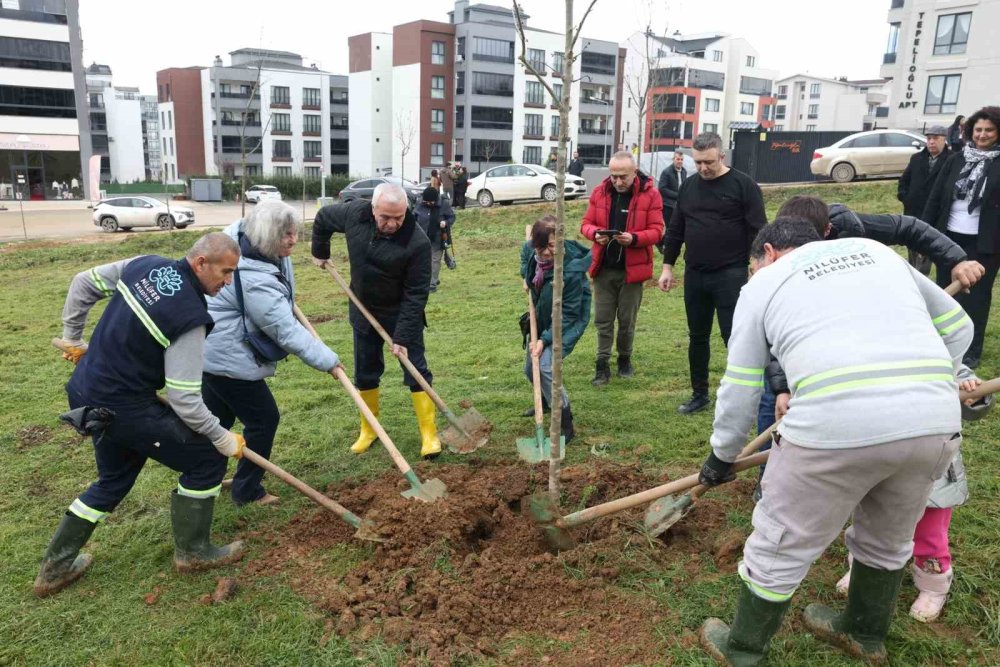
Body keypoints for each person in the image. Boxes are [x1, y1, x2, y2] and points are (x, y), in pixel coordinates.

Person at [698, 218, 971, 666]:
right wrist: (933, 383)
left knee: (780, 540)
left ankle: (743, 648)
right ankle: (863, 634)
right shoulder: (877, 253)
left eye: (752, 267)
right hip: (932, 424)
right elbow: (958, 327)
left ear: (766, 253)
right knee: (889, 536)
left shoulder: (764, 284)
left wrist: (722, 455)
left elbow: (742, 382)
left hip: (833, 428)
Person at [36, 233, 246, 597]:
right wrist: (221, 436)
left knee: (113, 479)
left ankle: (54, 570)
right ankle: (193, 553)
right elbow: (184, 399)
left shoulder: (144, 265)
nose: (228, 282)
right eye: (226, 272)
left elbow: (83, 282)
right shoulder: (190, 318)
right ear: (201, 264)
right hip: (122, 407)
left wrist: (73, 337)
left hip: (86, 390)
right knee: (206, 459)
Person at [751, 194, 985, 500]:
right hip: (814, 331)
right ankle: (769, 479)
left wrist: (956, 259)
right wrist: (782, 387)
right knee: (774, 396)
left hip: (858, 332)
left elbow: (909, 227)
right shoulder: (777, 258)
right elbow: (779, 335)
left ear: (826, 232)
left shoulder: (852, 229)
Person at [202, 201, 343, 507]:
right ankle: (246, 490)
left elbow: (278, 296)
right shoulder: (253, 278)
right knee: (264, 420)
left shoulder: (252, 244)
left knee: (215, 422)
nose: (294, 240)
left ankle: (204, 479)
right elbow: (286, 332)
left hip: (211, 351)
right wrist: (328, 360)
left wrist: (284, 297)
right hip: (227, 358)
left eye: (294, 232)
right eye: (286, 235)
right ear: (267, 237)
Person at [834, 367, 991, 624]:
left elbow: (972, 393)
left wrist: (974, 392)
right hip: (881, 454)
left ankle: (932, 586)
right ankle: (863, 570)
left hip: (932, 464)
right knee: (873, 519)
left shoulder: (944, 351)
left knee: (929, 532)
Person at [311, 183, 440, 458]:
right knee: (366, 371)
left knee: (415, 369)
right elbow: (322, 219)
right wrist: (320, 252)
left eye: (399, 217)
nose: (392, 224)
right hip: (363, 308)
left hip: (401, 314)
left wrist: (402, 337)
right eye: (385, 217)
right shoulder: (354, 214)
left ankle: (429, 434)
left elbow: (416, 294)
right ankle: (369, 430)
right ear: (373, 210)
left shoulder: (417, 243)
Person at [658, 132, 767, 414]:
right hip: (695, 274)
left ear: (722, 156)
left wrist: (757, 267)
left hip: (730, 273)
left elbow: (758, 229)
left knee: (733, 336)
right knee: (697, 336)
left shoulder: (744, 186)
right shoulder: (689, 187)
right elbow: (676, 228)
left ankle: (741, 395)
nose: (703, 168)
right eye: (698, 162)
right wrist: (668, 266)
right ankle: (699, 394)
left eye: (708, 162)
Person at [923, 106, 1000, 368]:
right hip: (949, 238)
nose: (982, 134)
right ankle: (943, 342)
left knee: (977, 297)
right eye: (978, 129)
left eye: (989, 129)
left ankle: (971, 351)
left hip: (985, 244)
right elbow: (935, 197)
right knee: (945, 292)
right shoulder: (956, 159)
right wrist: (925, 233)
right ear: (970, 131)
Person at [580, 151, 664, 384]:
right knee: (603, 320)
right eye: (613, 176)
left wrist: (634, 239)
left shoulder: (651, 195)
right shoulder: (599, 193)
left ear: (634, 172)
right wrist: (595, 234)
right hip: (603, 270)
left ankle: (624, 359)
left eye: (623, 177)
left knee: (627, 321)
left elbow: (658, 230)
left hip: (632, 271)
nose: (617, 181)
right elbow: (586, 224)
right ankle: (602, 364)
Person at [520, 215, 591, 441]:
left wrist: (545, 339)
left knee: (545, 366)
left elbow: (568, 314)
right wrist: (525, 276)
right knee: (530, 368)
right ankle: (546, 402)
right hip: (542, 315)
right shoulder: (533, 253)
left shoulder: (569, 271)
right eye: (541, 248)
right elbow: (525, 255)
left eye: (552, 246)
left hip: (568, 322)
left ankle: (565, 420)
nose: (547, 252)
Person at [898, 125, 952, 274]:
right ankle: (912, 275)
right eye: (929, 138)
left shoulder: (952, 159)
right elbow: (904, 181)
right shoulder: (916, 158)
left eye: (935, 138)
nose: (931, 142)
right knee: (912, 246)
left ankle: (922, 279)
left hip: (935, 214)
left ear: (944, 140)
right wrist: (905, 197)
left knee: (927, 248)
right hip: (913, 211)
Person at [413, 186, 455, 292]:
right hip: (421, 237)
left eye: (430, 202)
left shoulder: (444, 204)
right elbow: (414, 216)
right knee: (423, 260)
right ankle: (430, 279)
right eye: (426, 202)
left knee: (435, 260)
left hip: (438, 237)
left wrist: (445, 222)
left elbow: (452, 217)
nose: (428, 204)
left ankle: (432, 284)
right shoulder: (419, 202)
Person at [657, 151, 688, 251]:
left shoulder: (684, 171)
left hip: (679, 205)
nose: (680, 161)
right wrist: (678, 195)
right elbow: (662, 188)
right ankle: (667, 247)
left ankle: (660, 242)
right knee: (671, 227)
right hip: (668, 205)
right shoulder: (666, 172)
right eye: (678, 159)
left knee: (677, 227)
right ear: (673, 159)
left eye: (681, 159)